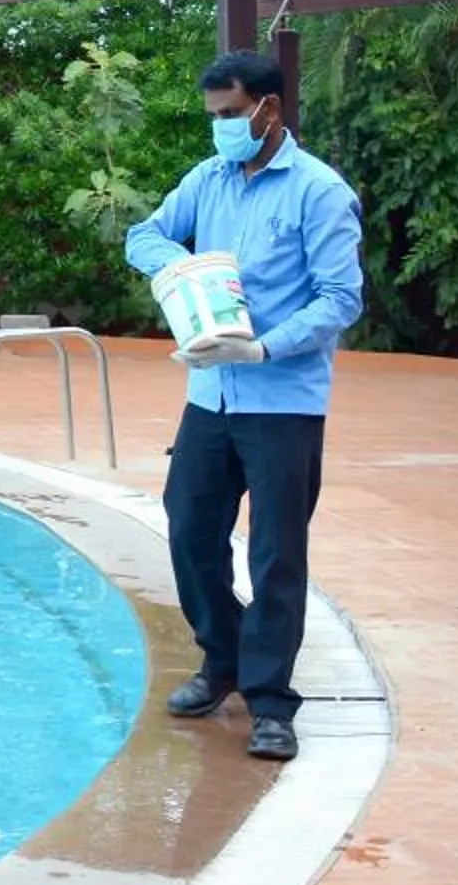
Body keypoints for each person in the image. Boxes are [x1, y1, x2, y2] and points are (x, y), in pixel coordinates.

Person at [124, 49, 364, 764]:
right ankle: (221, 658)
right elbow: (146, 233)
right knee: (189, 529)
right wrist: (182, 273)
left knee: (276, 553)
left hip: (282, 398)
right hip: (209, 393)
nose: (222, 128)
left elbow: (341, 298)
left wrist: (263, 348)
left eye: (231, 115)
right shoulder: (211, 180)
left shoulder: (320, 192)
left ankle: (270, 703)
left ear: (269, 108)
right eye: (215, 118)